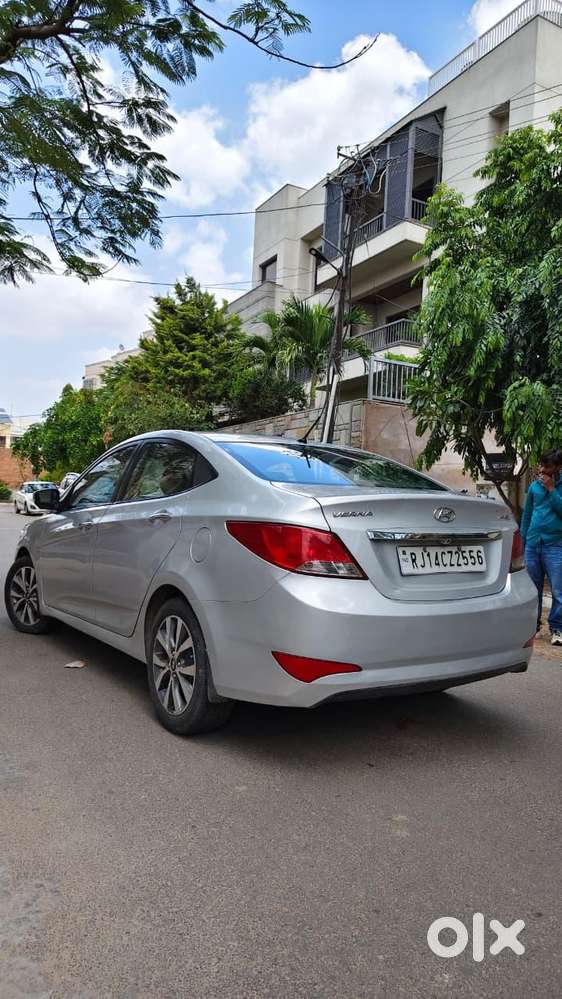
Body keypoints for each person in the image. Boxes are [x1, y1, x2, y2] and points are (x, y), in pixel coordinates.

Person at [520, 449, 562, 646]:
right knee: (532, 588)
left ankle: (557, 628)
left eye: (548, 466)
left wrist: (553, 490)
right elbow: (527, 515)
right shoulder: (534, 487)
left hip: (555, 545)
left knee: (558, 590)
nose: (543, 470)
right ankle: (532, 626)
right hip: (533, 543)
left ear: (558, 468)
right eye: (541, 465)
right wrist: (522, 540)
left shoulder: (558, 487)